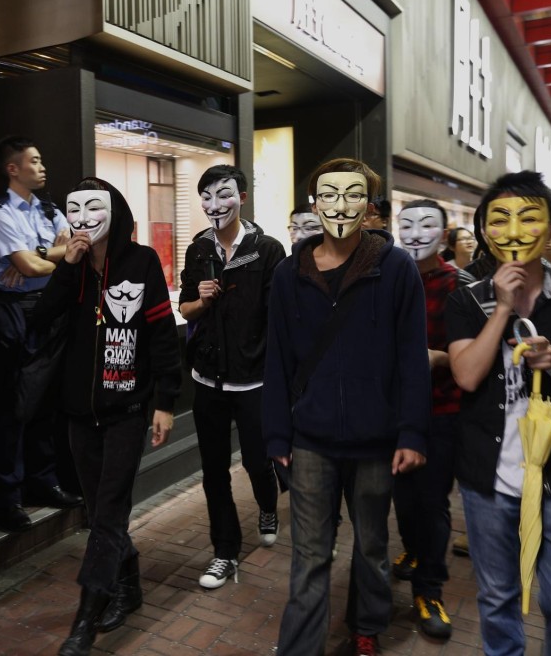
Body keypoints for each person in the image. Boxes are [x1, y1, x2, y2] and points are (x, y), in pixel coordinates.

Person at [262, 157, 429, 656]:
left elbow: (412, 358)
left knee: (372, 545)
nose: (341, 205)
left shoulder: (396, 269)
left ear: (370, 205)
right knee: (310, 553)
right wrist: (276, 434)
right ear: (314, 203)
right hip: (309, 438)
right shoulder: (289, 273)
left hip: (376, 439)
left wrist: (412, 432)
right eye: (328, 195)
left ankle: (367, 625)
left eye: (353, 195)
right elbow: (277, 360)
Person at [446, 170, 551, 656]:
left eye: (528, 217)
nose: (515, 231)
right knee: (498, 598)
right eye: (499, 220)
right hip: (487, 479)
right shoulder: (466, 300)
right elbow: (467, 375)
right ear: (484, 231)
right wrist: (501, 308)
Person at [29, 177, 181, 656]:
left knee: (109, 514)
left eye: (94, 207)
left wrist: (165, 401)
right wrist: (66, 267)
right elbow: (41, 321)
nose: (83, 218)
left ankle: (86, 618)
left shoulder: (140, 262)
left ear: (114, 212)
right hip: (77, 415)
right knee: (101, 514)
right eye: (74, 209)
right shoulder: (73, 271)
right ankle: (129, 583)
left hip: (127, 411)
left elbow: (161, 336)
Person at [178, 165, 284, 589]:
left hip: (254, 381)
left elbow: (278, 319)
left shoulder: (267, 250)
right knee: (213, 470)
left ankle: (267, 505)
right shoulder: (197, 250)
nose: (214, 204)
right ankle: (225, 551)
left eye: (223, 195)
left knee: (259, 462)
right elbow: (184, 309)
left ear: (242, 196)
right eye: (206, 196)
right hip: (207, 381)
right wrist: (199, 301)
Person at [0, 135, 81, 533]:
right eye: (34, 161)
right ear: (13, 168)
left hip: (50, 310)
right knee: (13, 409)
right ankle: (8, 500)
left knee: (46, 404)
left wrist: (39, 255)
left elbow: (79, 251)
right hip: (15, 313)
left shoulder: (51, 209)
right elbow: (31, 267)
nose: (42, 167)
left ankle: (43, 482)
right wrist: (51, 254)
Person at [392, 199, 472, 640]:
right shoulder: (389, 277)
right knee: (403, 499)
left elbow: (470, 358)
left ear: (444, 234)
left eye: (427, 225)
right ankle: (413, 552)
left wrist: (433, 358)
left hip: (442, 411)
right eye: (407, 224)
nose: (416, 232)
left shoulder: (459, 286)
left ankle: (430, 589)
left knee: (433, 502)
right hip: (395, 414)